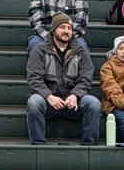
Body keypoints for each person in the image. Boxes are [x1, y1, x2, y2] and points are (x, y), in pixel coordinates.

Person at [26, 12, 101, 145]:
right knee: (34, 103)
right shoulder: (39, 51)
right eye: (62, 27)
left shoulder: (81, 51)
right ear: (54, 30)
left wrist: (75, 95)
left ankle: (89, 146)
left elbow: (86, 79)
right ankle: (38, 146)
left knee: (93, 103)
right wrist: (48, 96)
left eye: (69, 28)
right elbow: (34, 79)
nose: (66, 31)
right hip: (48, 101)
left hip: (73, 102)